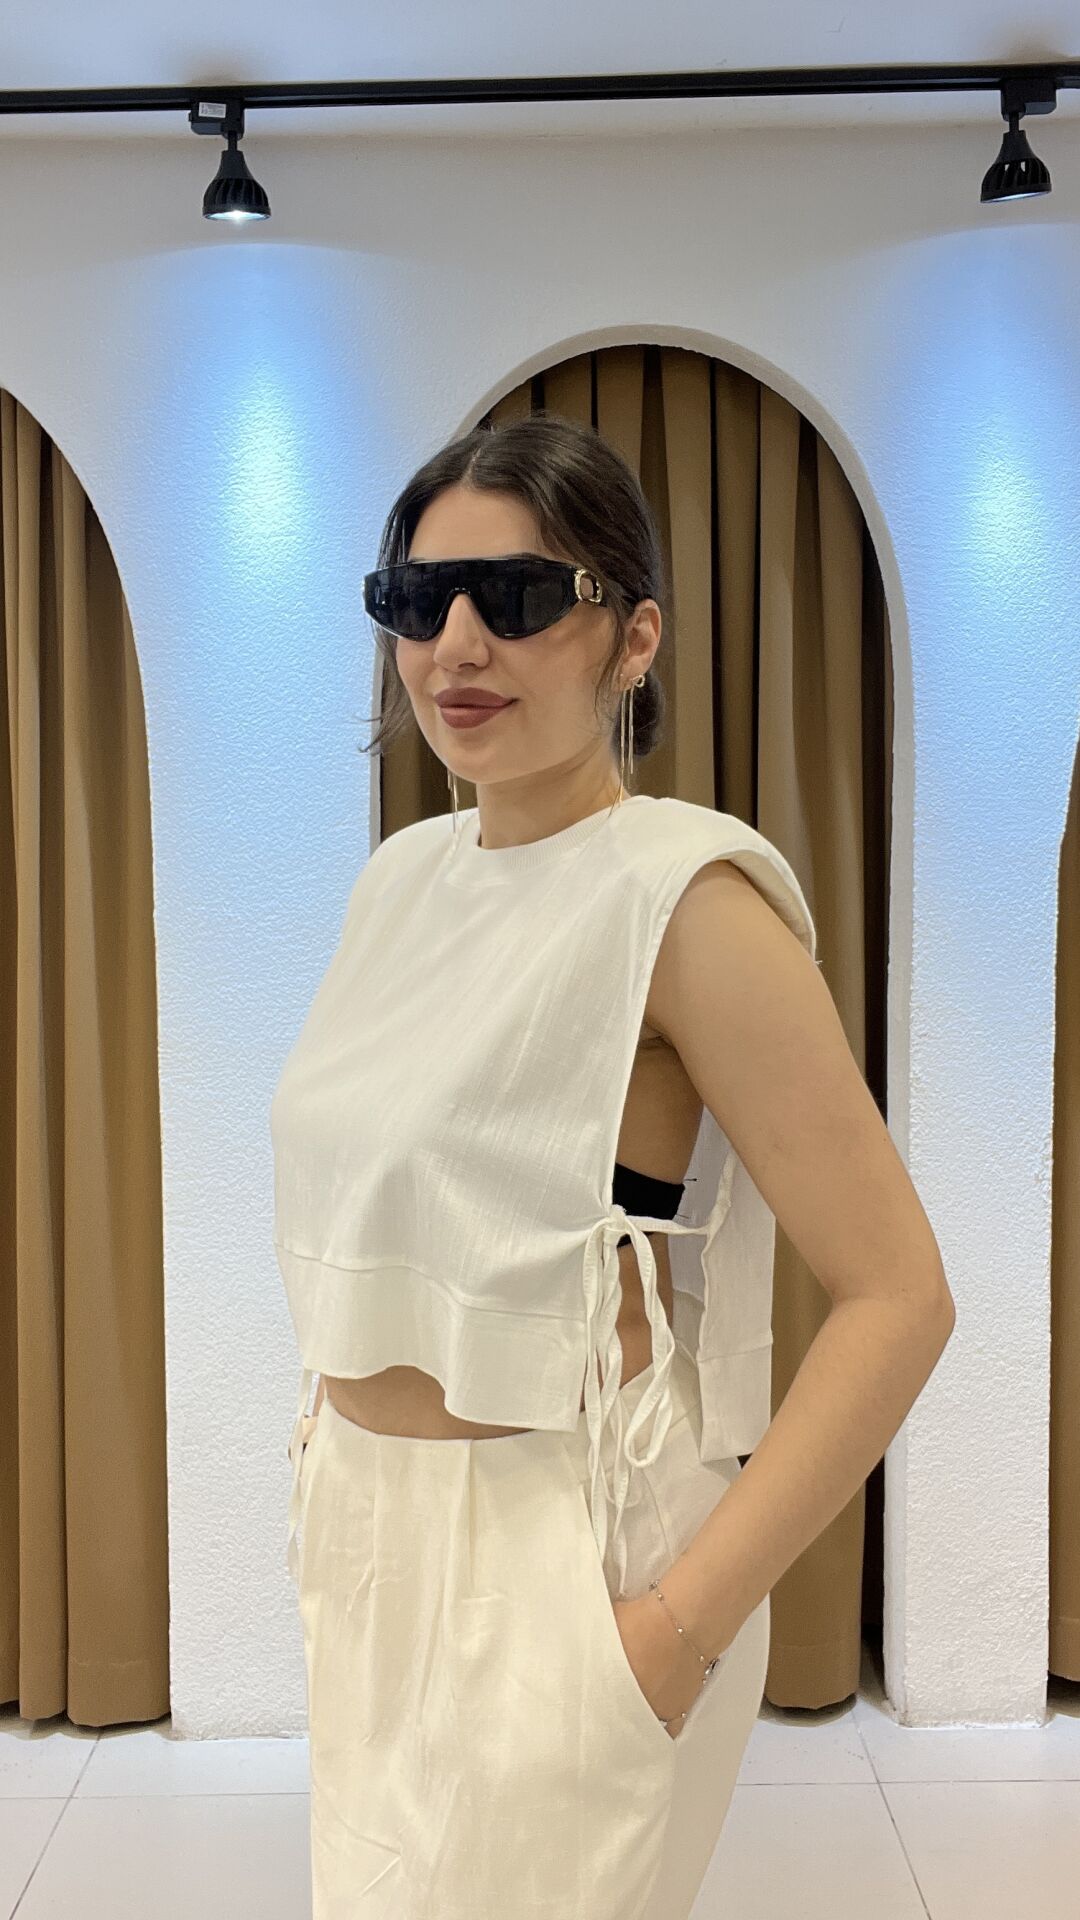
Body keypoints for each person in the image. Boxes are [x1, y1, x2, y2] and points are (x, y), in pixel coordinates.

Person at [273, 411, 818, 1918]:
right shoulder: (401, 882)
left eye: (515, 598)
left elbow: (903, 1298)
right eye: (416, 600)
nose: (457, 644)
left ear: (633, 637)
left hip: (566, 1546)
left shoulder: (686, 899)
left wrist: (676, 1636)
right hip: (370, 1536)